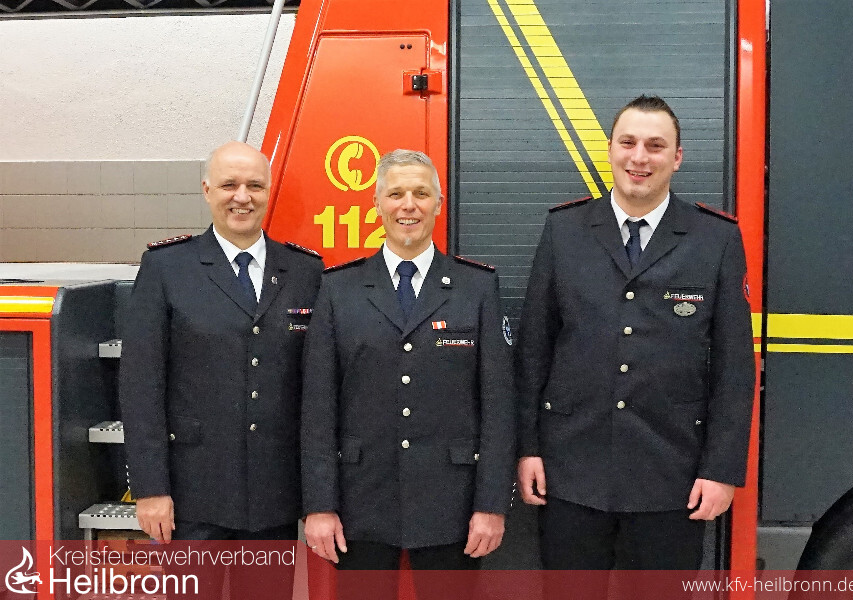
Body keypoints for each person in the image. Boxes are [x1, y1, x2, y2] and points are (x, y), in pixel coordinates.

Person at [516, 95, 755, 571]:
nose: (639, 157)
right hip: (571, 471)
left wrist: (721, 470)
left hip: (672, 477)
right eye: (628, 143)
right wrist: (527, 449)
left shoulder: (716, 239)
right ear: (610, 149)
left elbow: (734, 367)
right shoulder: (564, 230)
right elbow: (533, 350)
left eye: (655, 145)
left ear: (677, 157)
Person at [301, 149, 515, 598]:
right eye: (396, 194)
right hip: (359, 504)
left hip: (452, 505)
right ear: (377, 204)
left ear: (438, 203)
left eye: (421, 193)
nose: (408, 205)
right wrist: (320, 505)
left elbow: (498, 407)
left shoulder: (476, 287)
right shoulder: (339, 289)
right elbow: (318, 407)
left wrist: (492, 504)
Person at [118, 141, 323, 595]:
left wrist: (317, 495)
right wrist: (150, 489)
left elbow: (316, 391)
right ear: (207, 190)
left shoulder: (306, 271)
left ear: (269, 192)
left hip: (274, 496)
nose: (242, 197)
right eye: (229, 185)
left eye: (255, 186)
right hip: (192, 496)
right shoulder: (168, 268)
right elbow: (141, 386)